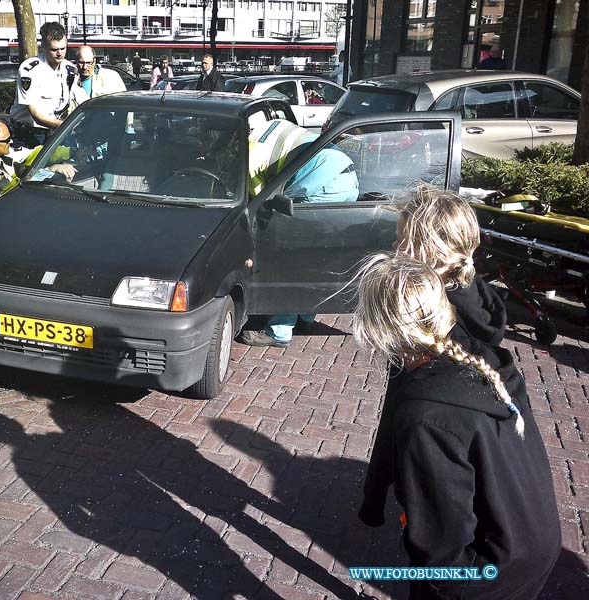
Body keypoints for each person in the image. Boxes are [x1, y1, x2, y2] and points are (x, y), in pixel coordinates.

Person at [352, 254, 560, 600]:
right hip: (533, 543)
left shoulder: (424, 417)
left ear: (377, 331)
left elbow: (441, 549)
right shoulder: (483, 360)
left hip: (486, 572)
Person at [359, 185, 508, 528]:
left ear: (432, 251)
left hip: (437, 480)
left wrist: (375, 496)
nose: (395, 249)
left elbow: (396, 415)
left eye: (401, 242)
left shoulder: (429, 321)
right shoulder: (476, 295)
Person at [238, 119, 359, 347]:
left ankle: (279, 331)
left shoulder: (250, 158)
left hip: (323, 185)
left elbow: (259, 202)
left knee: (291, 260)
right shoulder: (270, 124)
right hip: (347, 175)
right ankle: (306, 315)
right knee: (313, 257)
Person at [0, 118, 78, 222]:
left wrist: (71, 152)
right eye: (7, 140)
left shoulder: (0, 152)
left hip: (3, 214)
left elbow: (37, 154)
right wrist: (51, 170)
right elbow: (13, 190)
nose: (11, 142)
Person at [9, 21, 75, 145]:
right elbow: (35, 113)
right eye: (54, 49)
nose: (60, 53)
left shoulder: (70, 69)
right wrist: (65, 125)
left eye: (63, 48)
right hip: (29, 133)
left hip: (55, 130)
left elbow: (81, 99)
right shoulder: (30, 70)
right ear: (43, 47)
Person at [65, 45, 127, 115]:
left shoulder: (111, 77)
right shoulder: (68, 80)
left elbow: (124, 104)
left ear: (94, 61)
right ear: (76, 61)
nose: (85, 67)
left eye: (88, 63)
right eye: (81, 63)